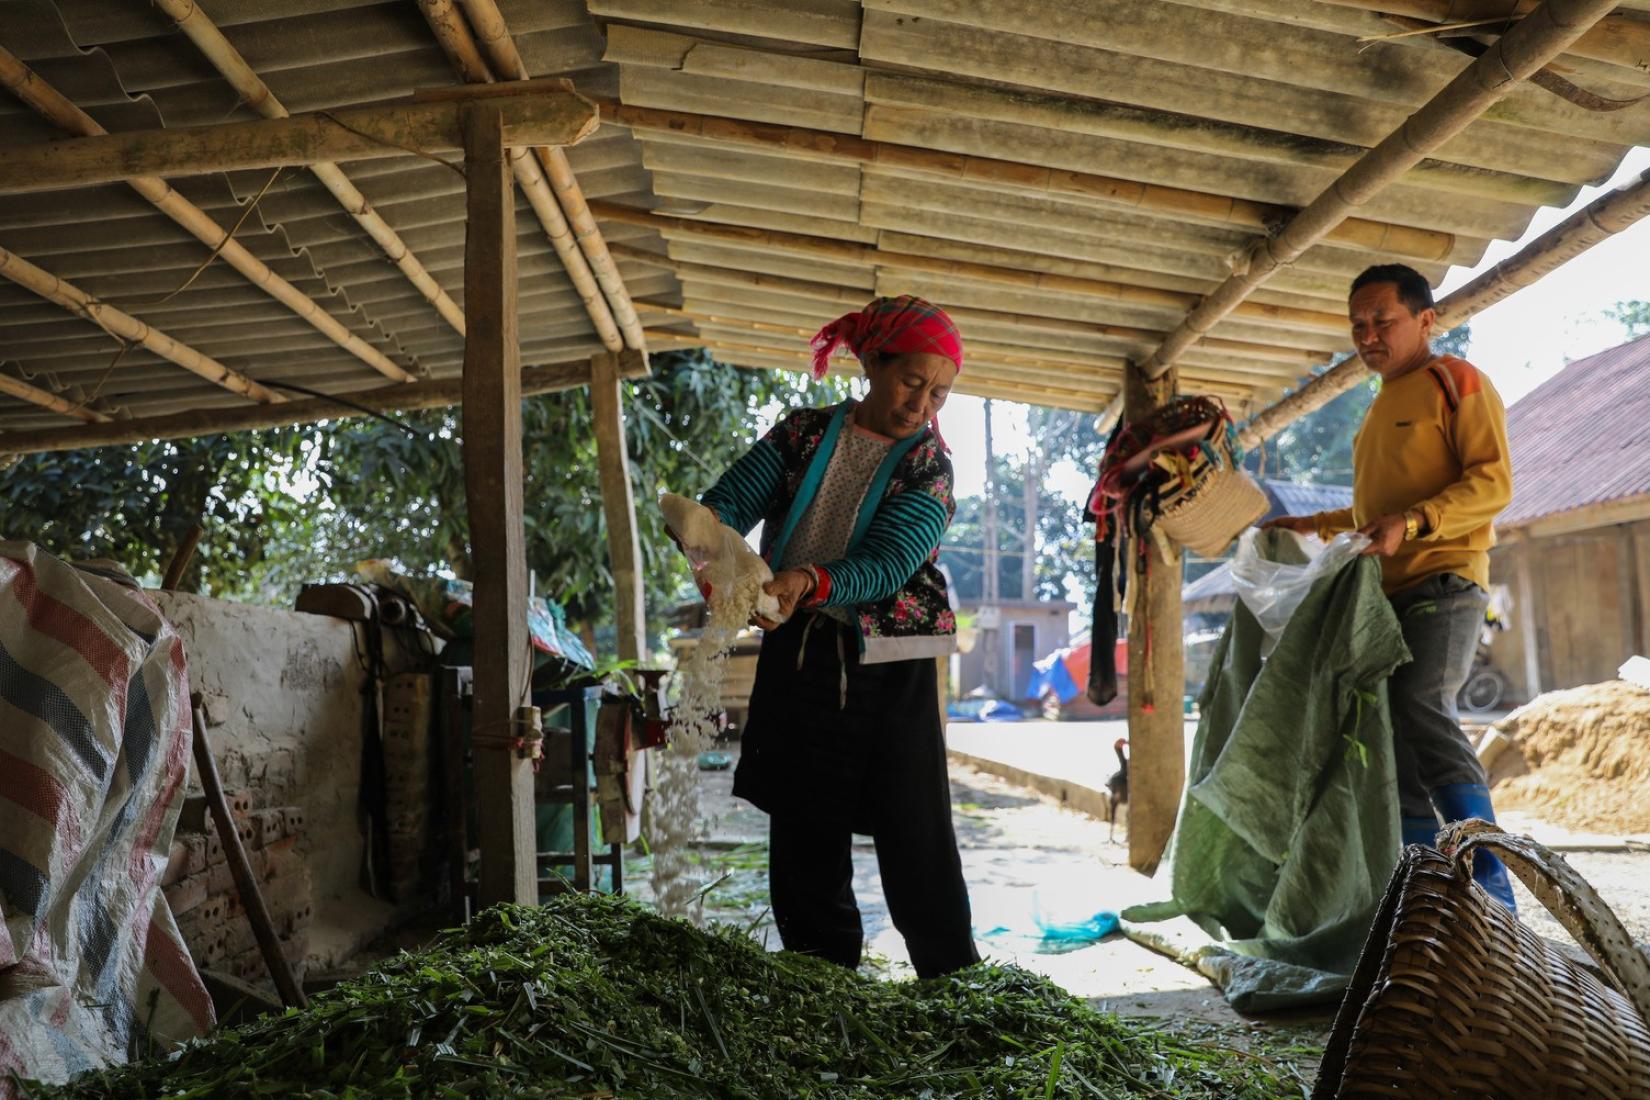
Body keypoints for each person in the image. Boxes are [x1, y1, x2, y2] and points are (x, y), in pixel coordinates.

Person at [696, 294, 980, 977]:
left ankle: (952, 981)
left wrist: (806, 582)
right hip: (800, 646)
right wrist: (713, 555)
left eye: (938, 393)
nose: (921, 406)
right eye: (912, 381)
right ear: (874, 363)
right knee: (802, 811)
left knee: (912, 820)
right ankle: (818, 978)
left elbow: (887, 563)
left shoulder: (930, 468)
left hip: (891, 653)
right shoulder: (801, 433)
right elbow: (724, 506)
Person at [1264, 263, 1518, 913]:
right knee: (1395, 746)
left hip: (1448, 579)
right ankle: (1423, 904)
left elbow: (1493, 485)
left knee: (1421, 703)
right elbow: (1371, 513)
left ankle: (1495, 891)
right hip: (1385, 595)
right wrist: (1312, 525)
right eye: (1358, 326)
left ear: (1426, 320)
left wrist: (1416, 521)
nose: (1368, 335)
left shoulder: (1455, 381)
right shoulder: (1377, 409)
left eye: (1383, 320)